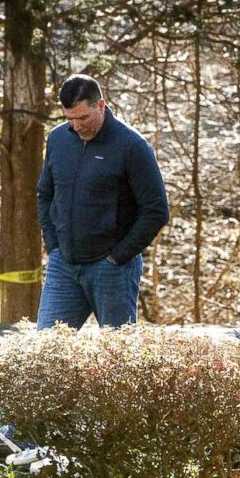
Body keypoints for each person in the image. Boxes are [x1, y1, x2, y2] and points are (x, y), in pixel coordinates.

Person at [36, 74, 170, 330]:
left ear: (101, 105)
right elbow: (45, 194)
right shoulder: (58, 139)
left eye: (83, 117)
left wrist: (119, 257)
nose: (76, 126)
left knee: (117, 356)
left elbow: (156, 210)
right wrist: (53, 246)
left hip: (112, 270)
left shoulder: (132, 146)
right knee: (44, 350)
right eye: (69, 118)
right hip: (63, 266)